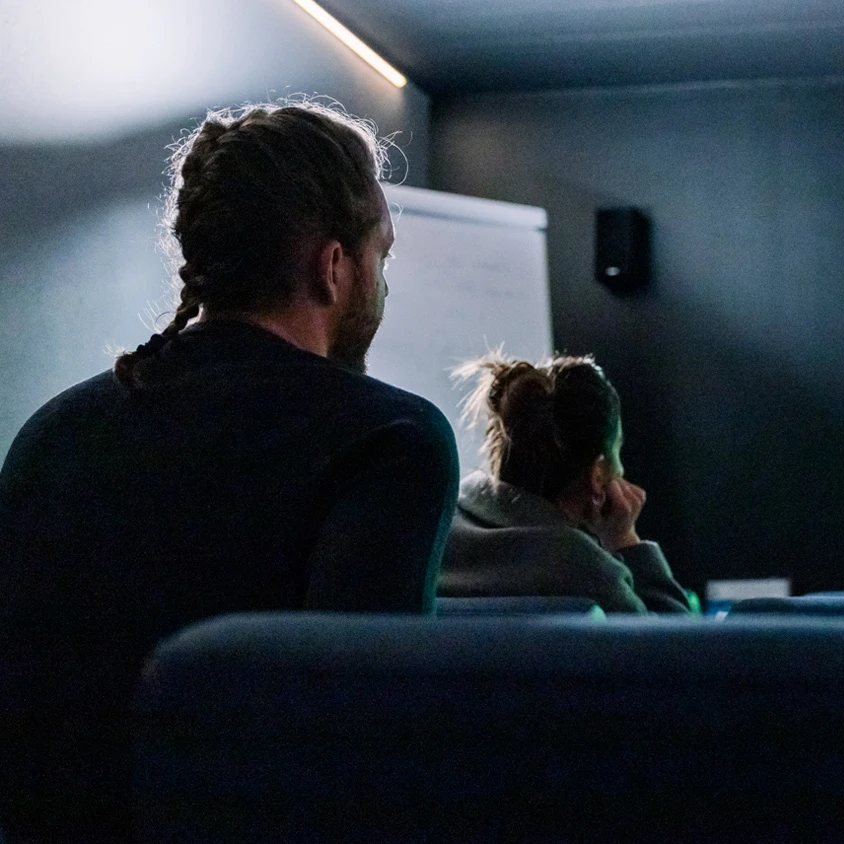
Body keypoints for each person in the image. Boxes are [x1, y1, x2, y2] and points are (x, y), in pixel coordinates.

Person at [0, 102, 460, 841]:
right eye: (383, 256)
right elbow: (366, 740)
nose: (382, 284)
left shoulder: (51, 432)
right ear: (333, 266)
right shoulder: (390, 440)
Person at [439, 353, 694, 615]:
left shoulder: (436, 532)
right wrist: (626, 541)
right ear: (597, 474)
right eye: (618, 448)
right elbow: (679, 650)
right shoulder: (586, 571)